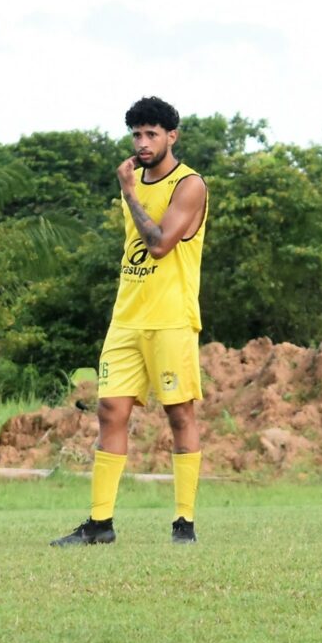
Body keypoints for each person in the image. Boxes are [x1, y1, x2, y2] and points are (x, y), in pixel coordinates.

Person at [51, 96, 208, 547]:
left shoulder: (188, 185)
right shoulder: (134, 179)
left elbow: (159, 244)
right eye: (136, 134)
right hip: (127, 318)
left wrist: (129, 193)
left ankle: (184, 523)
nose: (142, 143)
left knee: (179, 414)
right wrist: (132, 189)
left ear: (171, 136)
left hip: (171, 319)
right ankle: (100, 525)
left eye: (151, 134)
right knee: (110, 411)